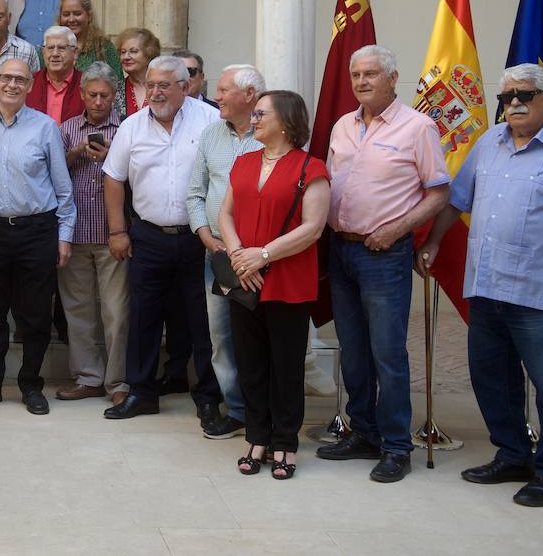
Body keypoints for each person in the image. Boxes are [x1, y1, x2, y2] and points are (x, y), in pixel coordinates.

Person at [419, 64, 543, 507]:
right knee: (492, 379)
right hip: (488, 286)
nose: (514, 103)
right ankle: (513, 454)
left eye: (525, 95)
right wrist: (434, 240)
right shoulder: (488, 143)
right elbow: (457, 200)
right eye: (506, 96)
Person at [317, 44, 450, 482]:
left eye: (371, 74)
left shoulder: (419, 128)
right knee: (353, 351)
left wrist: (397, 231)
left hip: (384, 254)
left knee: (388, 354)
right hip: (342, 249)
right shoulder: (342, 126)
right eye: (356, 74)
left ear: (393, 78)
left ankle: (396, 446)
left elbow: (438, 194)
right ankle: (364, 432)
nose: (361, 82)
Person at [101, 56, 229, 436]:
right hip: (149, 236)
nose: (154, 92)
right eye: (151, 85)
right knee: (143, 316)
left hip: (199, 238)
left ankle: (207, 396)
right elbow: (113, 178)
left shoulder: (210, 121)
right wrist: (117, 230)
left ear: (185, 87)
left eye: (164, 85)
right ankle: (141, 392)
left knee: (203, 320)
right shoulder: (131, 126)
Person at [217, 90, 331, 480]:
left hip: (287, 278)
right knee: (250, 363)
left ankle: (285, 442)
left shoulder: (310, 168)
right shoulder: (244, 162)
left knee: (286, 366)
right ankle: (257, 437)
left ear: (286, 121)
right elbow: (225, 215)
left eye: (262, 113)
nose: (255, 118)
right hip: (245, 278)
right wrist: (238, 257)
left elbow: (312, 228)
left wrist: (261, 255)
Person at [0, 58, 75, 416]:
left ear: (28, 85)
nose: (11, 84)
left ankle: (30, 384)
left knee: (35, 315)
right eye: (5, 78)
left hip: (37, 230)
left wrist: (64, 235)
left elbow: (62, 187)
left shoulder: (44, 127)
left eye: (20, 79)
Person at [186, 64, 266, 440]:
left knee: (260, 336)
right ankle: (236, 410)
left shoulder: (271, 134)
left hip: (261, 257)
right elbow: (196, 192)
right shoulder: (211, 135)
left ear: (248, 95)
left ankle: (263, 411)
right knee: (221, 337)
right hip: (217, 255)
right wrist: (204, 234)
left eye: (223, 90)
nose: (215, 96)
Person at [56, 63, 127, 405]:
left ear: (115, 95)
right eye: (92, 94)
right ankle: (88, 377)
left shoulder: (128, 128)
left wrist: (112, 154)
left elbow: (138, 174)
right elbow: (52, 173)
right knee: (78, 311)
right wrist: (76, 152)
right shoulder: (68, 128)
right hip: (75, 234)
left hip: (113, 235)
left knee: (116, 312)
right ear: (81, 94)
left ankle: (118, 383)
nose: (98, 101)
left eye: (105, 95)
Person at [57, 0, 123, 86]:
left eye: (77, 14)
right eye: (66, 14)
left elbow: (119, 85)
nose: (71, 19)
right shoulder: (52, 47)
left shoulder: (104, 47)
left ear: (89, 16)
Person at [27, 26, 84, 125]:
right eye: (50, 48)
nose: (55, 53)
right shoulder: (29, 82)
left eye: (61, 48)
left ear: (74, 53)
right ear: (43, 52)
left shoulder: (86, 84)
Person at [116, 27, 161, 117]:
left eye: (133, 51)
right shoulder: (115, 90)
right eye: (123, 52)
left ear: (149, 54)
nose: (126, 57)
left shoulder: (162, 88)